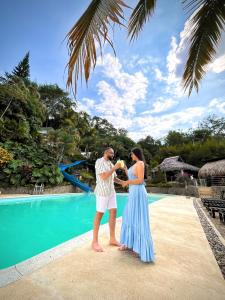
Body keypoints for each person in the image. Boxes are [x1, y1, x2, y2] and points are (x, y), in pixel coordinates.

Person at [119, 147, 155, 263]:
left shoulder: (140, 163)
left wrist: (127, 182)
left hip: (138, 193)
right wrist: (125, 168)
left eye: (131, 154)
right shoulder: (135, 165)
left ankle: (140, 248)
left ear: (135, 154)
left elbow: (139, 180)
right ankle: (130, 244)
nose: (131, 156)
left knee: (138, 219)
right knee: (129, 216)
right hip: (133, 193)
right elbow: (132, 177)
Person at [92, 147, 123, 252]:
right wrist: (115, 167)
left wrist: (125, 182)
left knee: (114, 212)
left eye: (113, 153)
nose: (112, 155)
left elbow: (114, 178)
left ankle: (112, 239)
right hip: (102, 192)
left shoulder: (110, 164)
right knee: (99, 213)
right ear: (105, 152)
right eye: (111, 153)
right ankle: (95, 242)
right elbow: (104, 176)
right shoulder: (99, 162)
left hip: (111, 192)